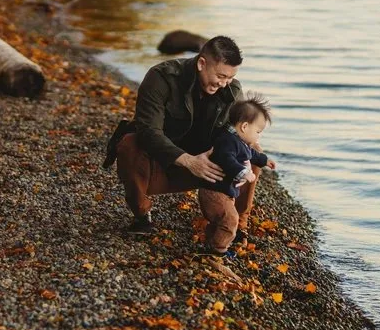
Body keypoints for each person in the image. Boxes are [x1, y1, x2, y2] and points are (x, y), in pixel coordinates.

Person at [105, 36, 264, 237]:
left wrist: (244, 158)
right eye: (221, 76)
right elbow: (148, 131)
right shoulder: (161, 77)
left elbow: (241, 134)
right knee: (129, 143)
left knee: (253, 150)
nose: (224, 83)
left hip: (211, 168)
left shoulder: (232, 90)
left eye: (230, 77)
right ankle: (142, 216)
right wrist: (189, 161)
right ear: (201, 63)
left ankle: (237, 224)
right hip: (163, 165)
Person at [198, 94, 276, 256]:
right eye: (258, 131)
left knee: (219, 220)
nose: (258, 136)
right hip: (214, 192)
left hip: (223, 192)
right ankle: (219, 250)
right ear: (245, 127)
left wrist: (265, 160)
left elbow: (252, 155)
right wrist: (244, 173)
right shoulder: (227, 141)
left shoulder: (240, 142)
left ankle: (210, 243)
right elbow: (227, 159)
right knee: (230, 220)